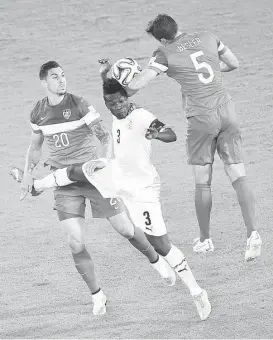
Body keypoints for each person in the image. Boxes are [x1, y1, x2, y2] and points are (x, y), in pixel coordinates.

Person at [12, 62, 212, 321]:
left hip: (120, 182)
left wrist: (150, 138)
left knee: (137, 234)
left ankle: (172, 272)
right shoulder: (42, 112)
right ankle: (97, 295)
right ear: (44, 82)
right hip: (89, 178)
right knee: (75, 229)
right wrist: (29, 172)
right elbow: (37, 145)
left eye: (63, 75)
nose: (62, 80)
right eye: (55, 76)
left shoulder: (103, 109)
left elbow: (119, 134)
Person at [113, 14, 262, 262]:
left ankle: (205, 240)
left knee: (202, 180)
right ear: (176, 27)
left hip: (201, 119)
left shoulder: (164, 53)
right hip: (227, 110)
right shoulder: (207, 36)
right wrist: (212, 70)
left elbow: (138, 84)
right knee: (238, 173)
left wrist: (119, 86)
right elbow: (233, 63)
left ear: (161, 38)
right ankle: (253, 234)